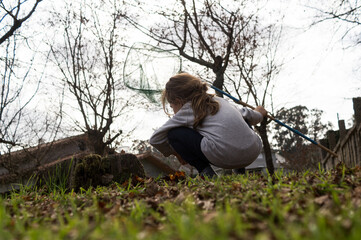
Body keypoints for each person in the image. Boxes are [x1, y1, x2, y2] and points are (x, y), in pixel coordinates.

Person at [149, 73, 267, 177]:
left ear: (178, 101)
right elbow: (251, 116)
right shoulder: (221, 101)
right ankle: (240, 171)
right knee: (242, 118)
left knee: (174, 133)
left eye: (172, 106)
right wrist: (259, 113)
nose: (173, 110)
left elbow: (155, 139)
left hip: (225, 156)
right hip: (253, 150)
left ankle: (207, 173)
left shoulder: (186, 110)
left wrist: (175, 152)